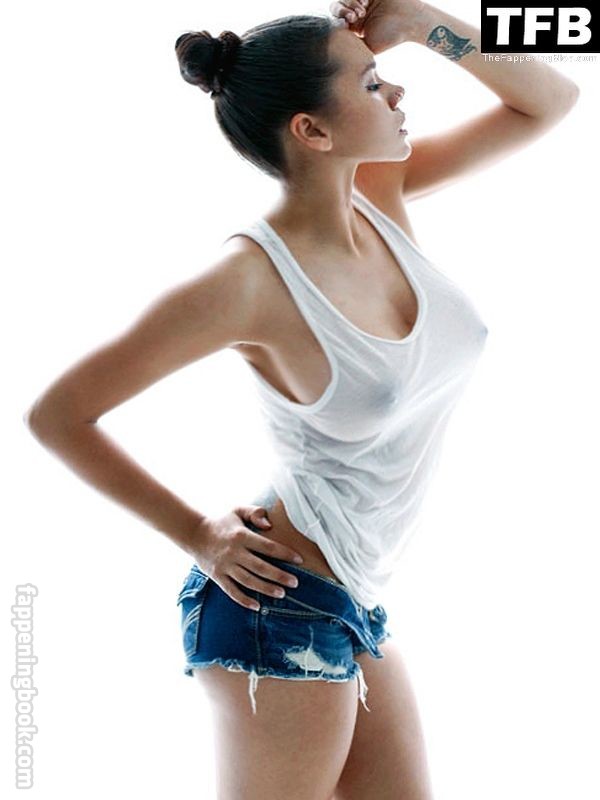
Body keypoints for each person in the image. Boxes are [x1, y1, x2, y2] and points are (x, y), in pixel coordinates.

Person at [25, 1, 579, 797]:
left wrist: (416, 21)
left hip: (352, 597)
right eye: (373, 84)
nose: (398, 93)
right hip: (278, 605)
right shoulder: (248, 282)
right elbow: (58, 415)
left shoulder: (379, 198)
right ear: (312, 131)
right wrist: (197, 534)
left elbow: (551, 100)